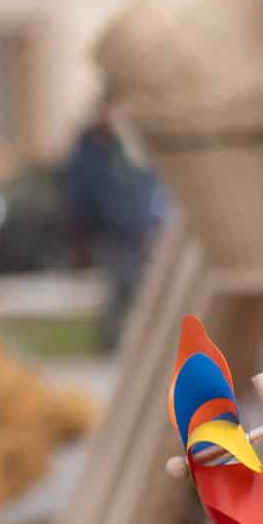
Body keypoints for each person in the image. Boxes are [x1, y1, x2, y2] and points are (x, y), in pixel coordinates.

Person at [62, 100, 158, 350]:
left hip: (133, 229)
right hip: (109, 231)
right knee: (120, 288)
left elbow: (140, 186)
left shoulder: (124, 149)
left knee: (134, 288)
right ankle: (113, 343)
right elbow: (81, 197)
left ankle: (130, 341)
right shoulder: (88, 153)